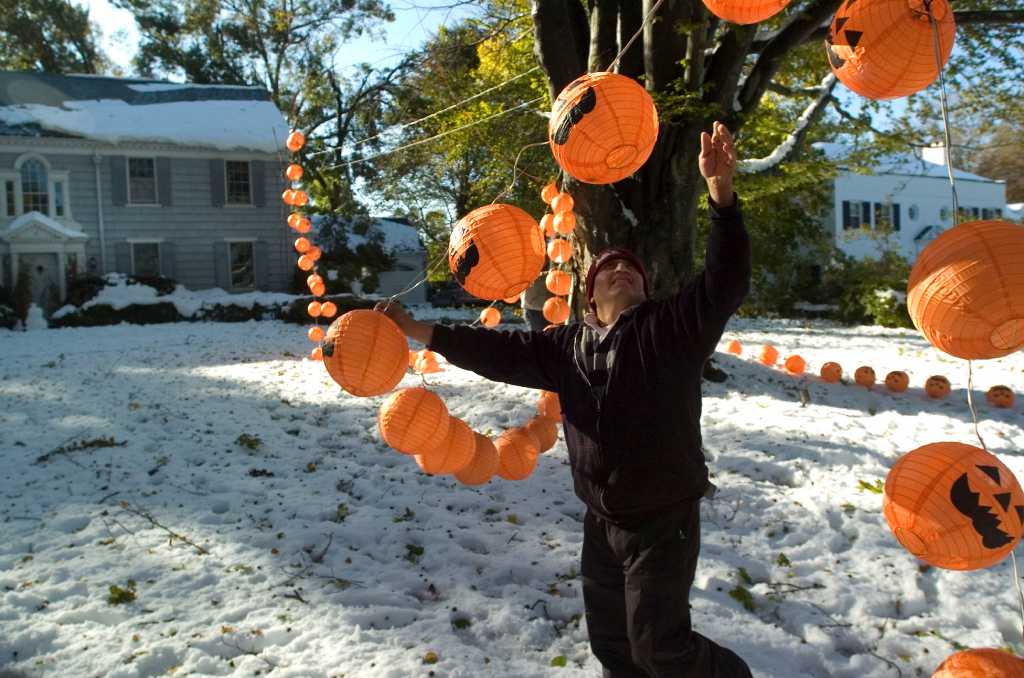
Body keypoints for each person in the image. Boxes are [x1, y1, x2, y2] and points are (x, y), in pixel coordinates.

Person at [376, 121, 753, 678]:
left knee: (661, 647)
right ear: (589, 294)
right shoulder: (566, 346)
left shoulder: (671, 329)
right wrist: (423, 332)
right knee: (613, 648)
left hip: (663, 516)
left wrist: (721, 197)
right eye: (607, 269)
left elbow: (726, 281)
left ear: (644, 290)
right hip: (600, 519)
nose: (620, 269)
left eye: (631, 268)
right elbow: (499, 352)